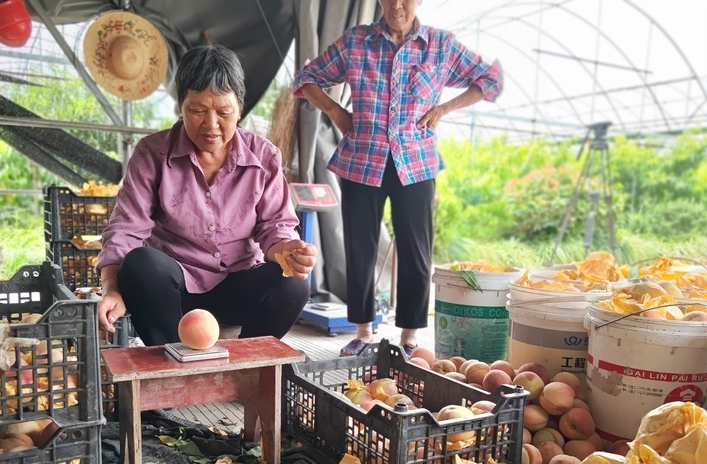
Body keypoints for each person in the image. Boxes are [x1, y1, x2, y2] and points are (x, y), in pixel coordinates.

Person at [293, 0, 502, 357]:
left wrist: (445, 108)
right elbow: (307, 77)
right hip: (362, 160)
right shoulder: (356, 41)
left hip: (416, 163)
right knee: (360, 250)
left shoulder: (440, 45)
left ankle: (408, 337)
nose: (396, 5)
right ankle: (362, 332)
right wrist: (335, 110)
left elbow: (491, 79)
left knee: (416, 252)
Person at [96, 44, 317, 345]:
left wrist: (288, 250)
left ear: (240, 107)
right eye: (197, 111)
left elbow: (274, 227)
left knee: (293, 284)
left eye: (223, 112)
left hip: (237, 285)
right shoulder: (153, 154)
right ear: (180, 107)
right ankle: (171, 362)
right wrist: (112, 289)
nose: (211, 126)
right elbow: (126, 229)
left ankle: (248, 364)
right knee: (140, 264)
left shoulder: (264, 156)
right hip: (174, 292)